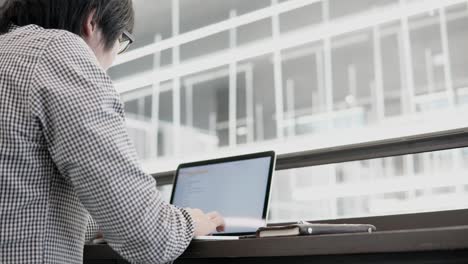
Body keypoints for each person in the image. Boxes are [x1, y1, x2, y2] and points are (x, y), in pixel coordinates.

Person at [0, 0, 225, 263]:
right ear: (92, 21)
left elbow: (22, 207)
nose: (112, 62)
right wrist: (191, 221)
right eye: (121, 40)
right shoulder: (58, 51)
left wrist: (107, 221)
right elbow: (148, 235)